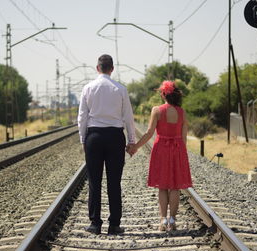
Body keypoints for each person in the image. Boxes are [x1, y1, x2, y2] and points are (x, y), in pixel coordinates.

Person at [78, 54, 136, 235]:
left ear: (98, 68)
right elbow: (128, 117)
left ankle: (95, 224)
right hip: (115, 137)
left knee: (94, 181)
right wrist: (132, 140)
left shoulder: (88, 88)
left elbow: (82, 117)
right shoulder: (120, 89)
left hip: (94, 137)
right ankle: (114, 225)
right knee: (114, 182)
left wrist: (83, 139)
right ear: (112, 69)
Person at [128, 80, 192, 231]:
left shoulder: (156, 110)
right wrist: (182, 158)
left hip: (161, 149)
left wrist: (135, 147)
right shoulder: (182, 113)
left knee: (163, 187)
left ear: (164, 95)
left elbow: (149, 133)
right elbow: (184, 139)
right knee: (175, 187)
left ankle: (163, 220)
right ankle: (173, 221)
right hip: (177, 150)